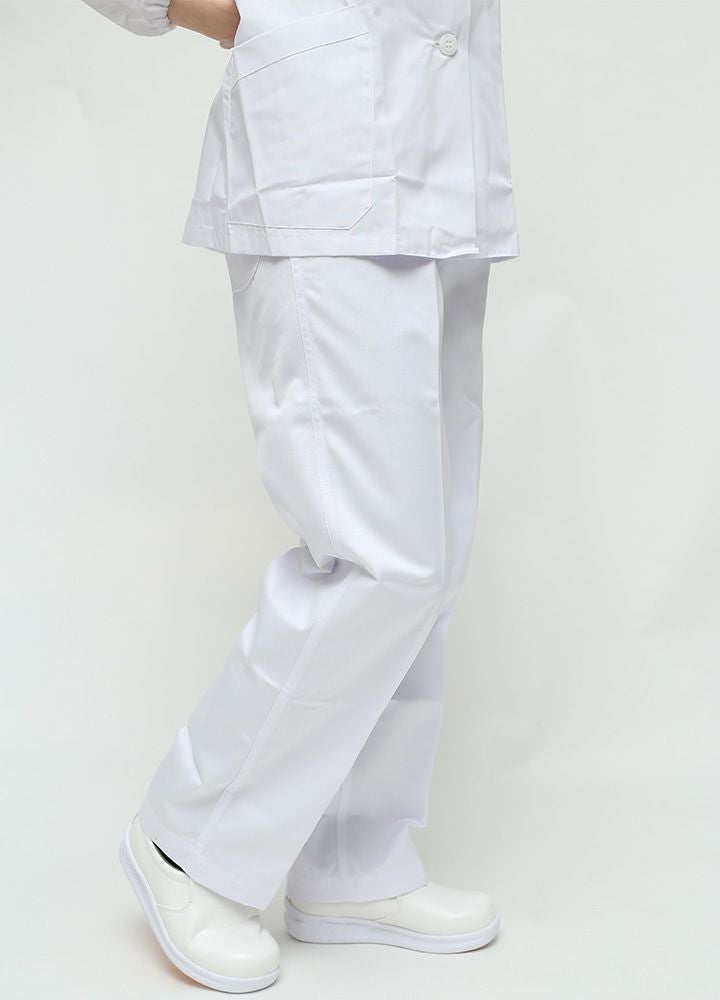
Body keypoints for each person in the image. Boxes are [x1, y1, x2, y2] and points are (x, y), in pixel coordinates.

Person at [81, 0, 520, 992]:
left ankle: (354, 858)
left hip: (451, 138)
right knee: (382, 558)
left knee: (432, 553)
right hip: (326, 139)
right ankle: (189, 842)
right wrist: (240, 13)